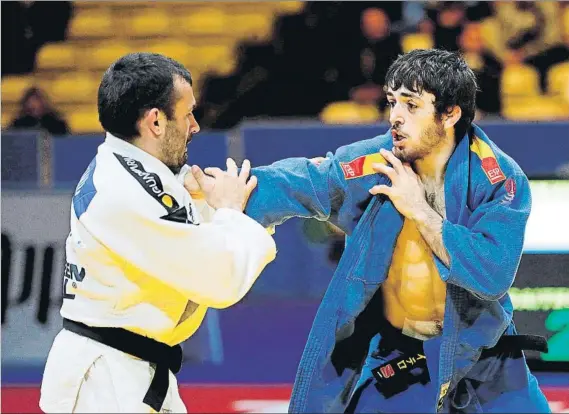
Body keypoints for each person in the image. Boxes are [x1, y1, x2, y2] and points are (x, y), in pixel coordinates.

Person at [189, 49, 550, 413]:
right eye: (392, 102)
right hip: (403, 357)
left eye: (411, 105)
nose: (395, 117)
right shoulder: (377, 161)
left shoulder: (498, 177)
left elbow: (492, 272)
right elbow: (306, 180)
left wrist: (420, 211)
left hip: (486, 360)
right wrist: (226, 188)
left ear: (450, 114)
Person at [39, 52, 277, 413]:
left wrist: (245, 202)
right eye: (187, 114)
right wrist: (230, 210)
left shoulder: (136, 170)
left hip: (127, 371)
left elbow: (194, 232)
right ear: (155, 122)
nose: (195, 126)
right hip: (106, 388)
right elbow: (219, 277)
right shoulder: (124, 190)